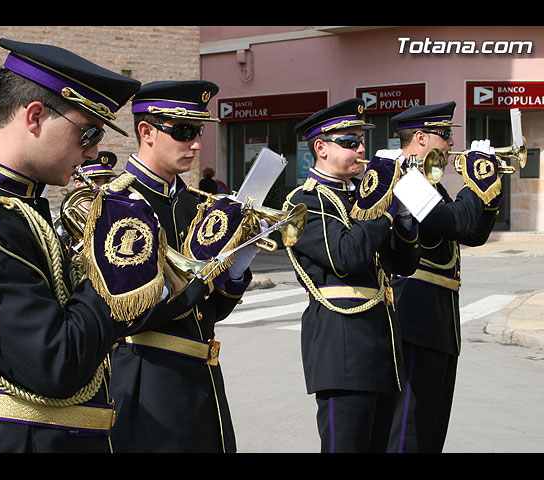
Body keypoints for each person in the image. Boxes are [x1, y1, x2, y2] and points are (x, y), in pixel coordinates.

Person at [0, 37, 178, 453]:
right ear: (34, 116)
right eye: (87, 133)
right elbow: (57, 361)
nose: (92, 152)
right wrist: (118, 269)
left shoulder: (4, 200)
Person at [108, 80, 259, 453]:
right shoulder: (119, 204)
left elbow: (209, 313)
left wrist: (236, 269)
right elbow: (134, 314)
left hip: (202, 374)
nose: (196, 143)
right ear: (146, 131)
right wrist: (203, 277)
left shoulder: (196, 203)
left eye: (199, 132)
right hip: (148, 375)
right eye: (183, 131)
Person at [283, 98, 421, 453]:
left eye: (362, 141)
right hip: (341, 345)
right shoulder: (304, 202)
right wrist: (384, 210)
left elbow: (404, 265)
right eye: (349, 142)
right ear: (321, 148)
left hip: (381, 344)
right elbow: (347, 256)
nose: (361, 149)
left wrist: (404, 215)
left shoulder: (361, 196)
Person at [386, 102, 501, 453]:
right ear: (420, 138)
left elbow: (471, 234)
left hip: (438, 320)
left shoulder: (427, 182)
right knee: (410, 429)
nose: (451, 144)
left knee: (432, 427)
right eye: (445, 135)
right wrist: (475, 182)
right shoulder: (402, 178)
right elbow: (454, 222)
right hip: (416, 316)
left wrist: (489, 194)